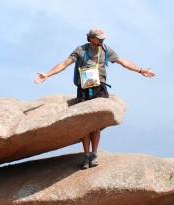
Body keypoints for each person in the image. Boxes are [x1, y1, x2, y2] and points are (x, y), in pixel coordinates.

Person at [34, 27, 155, 169]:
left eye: (102, 38)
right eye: (98, 38)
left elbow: (124, 62)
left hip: (100, 86)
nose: (101, 40)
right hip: (84, 87)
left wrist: (141, 70)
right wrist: (47, 75)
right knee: (85, 122)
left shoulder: (105, 50)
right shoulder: (81, 50)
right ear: (91, 38)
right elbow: (64, 64)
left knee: (95, 122)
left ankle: (94, 154)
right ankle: (86, 155)